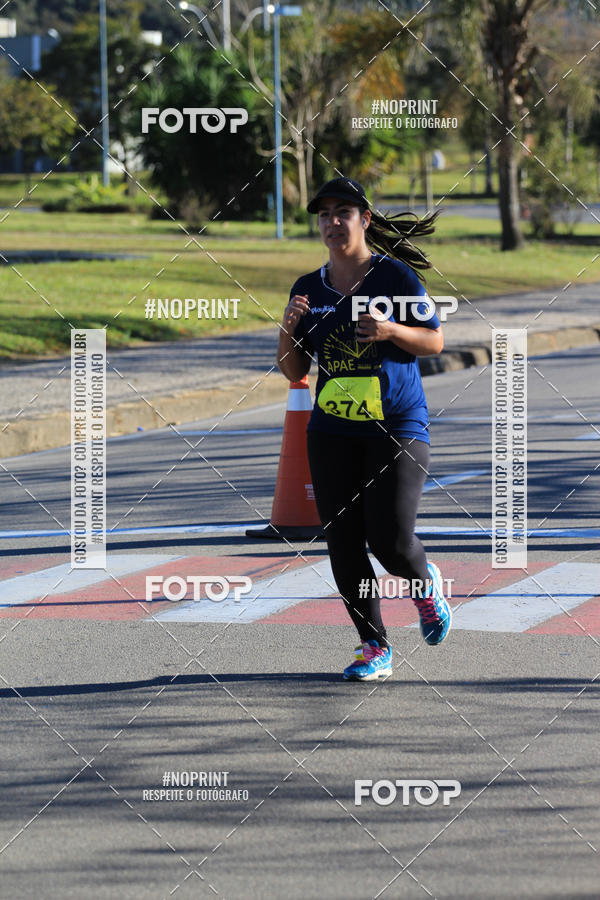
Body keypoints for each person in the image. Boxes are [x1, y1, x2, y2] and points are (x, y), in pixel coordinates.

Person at [277, 176, 452, 681]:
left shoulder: (395, 278)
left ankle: (424, 583)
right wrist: (287, 329)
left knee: (391, 542)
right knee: (343, 541)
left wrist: (391, 329)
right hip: (332, 431)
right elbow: (293, 371)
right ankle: (373, 647)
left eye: (343, 212)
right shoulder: (308, 288)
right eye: (324, 214)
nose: (332, 222)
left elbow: (435, 342)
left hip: (397, 427)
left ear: (364, 220)